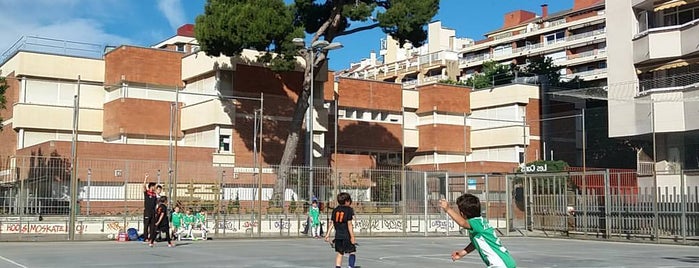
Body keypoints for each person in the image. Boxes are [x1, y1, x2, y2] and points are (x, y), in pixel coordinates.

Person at [439, 194, 516, 268]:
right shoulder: (480, 222)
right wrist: (463, 253)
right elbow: (476, 243)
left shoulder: (474, 222)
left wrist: (448, 209)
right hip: (506, 261)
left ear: (462, 214)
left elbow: (462, 223)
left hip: (500, 264)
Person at [324, 193, 357, 268]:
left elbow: (332, 223)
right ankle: (351, 266)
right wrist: (352, 237)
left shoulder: (335, 210)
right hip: (346, 236)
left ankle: (338, 266)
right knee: (352, 252)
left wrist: (327, 234)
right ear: (347, 201)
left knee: (340, 253)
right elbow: (349, 224)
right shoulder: (349, 210)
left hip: (338, 236)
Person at [142, 174, 158, 243]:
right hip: (147, 211)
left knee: (152, 226)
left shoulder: (155, 194)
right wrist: (145, 178)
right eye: (154, 186)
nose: (155, 188)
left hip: (153, 211)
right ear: (151, 187)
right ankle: (145, 238)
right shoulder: (147, 193)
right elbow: (143, 187)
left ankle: (151, 238)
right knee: (146, 225)